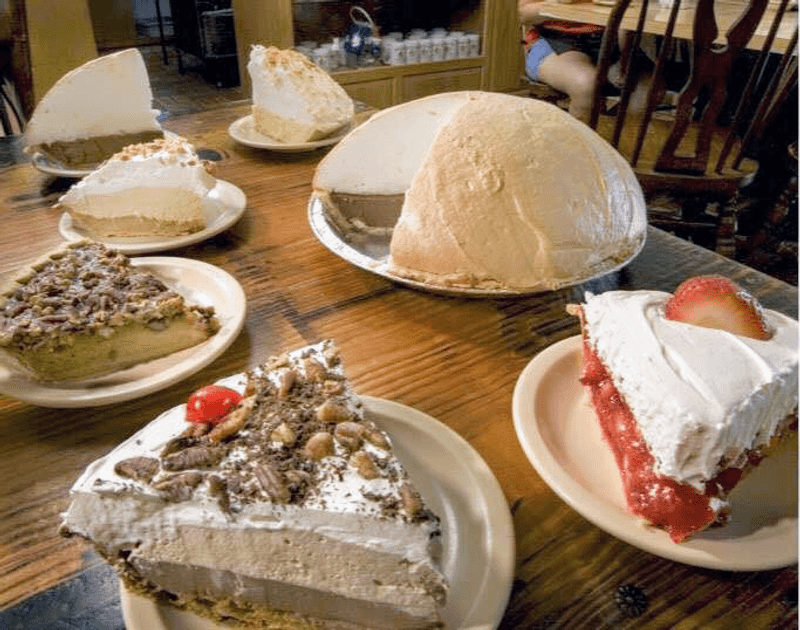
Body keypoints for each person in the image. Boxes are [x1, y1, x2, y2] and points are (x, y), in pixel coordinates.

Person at [519, 0, 604, 122]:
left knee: (639, 98)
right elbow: (524, 14)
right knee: (586, 85)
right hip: (553, 39)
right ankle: (575, 140)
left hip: (619, 39)